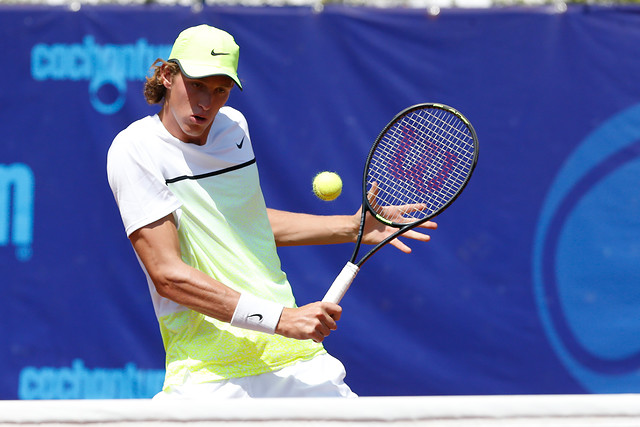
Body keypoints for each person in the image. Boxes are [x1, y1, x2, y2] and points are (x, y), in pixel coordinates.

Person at [106, 24, 437, 399]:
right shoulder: (134, 149)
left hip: (294, 359)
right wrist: (283, 319)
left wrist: (352, 227)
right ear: (168, 75)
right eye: (196, 84)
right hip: (211, 369)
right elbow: (168, 275)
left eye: (220, 90)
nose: (206, 103)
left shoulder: (235, 130)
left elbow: (245, 224)